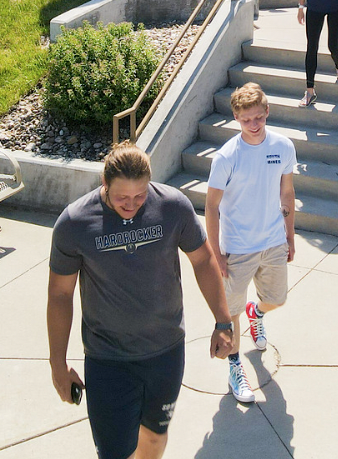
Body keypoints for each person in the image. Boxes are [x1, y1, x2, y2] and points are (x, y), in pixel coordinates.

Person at [47, 144, 235, 459]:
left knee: (154, 439)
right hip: (108, 360)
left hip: (166, 355)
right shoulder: (75, 223)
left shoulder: (173, 207)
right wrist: (57, 364)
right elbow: (60, 295)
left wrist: (223, 320)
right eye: (122, 197)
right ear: (104, 184)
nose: (131, 204)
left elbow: (203, 261)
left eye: (140, 196)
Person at [204, 82, 297, 404]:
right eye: (246, 120)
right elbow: (211, 206)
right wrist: (216, 254)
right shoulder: (227, 157)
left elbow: (287, 192)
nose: (254, 124)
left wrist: (289, 234)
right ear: (236, 118)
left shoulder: (283, 146)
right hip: (237, 248)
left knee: (277, 299)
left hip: (273, 241)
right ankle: (235, 368)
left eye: (258, 117)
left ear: (267, 111)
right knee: (229, 314)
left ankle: (256, 313)